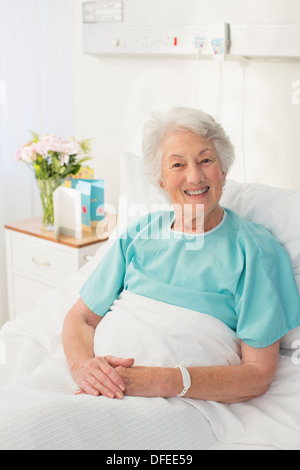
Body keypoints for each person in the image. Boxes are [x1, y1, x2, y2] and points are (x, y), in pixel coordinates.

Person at [62, 107, 300, 404]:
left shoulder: (254, 250)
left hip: (181, 402)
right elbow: (80, 318)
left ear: (223, 171)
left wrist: (159, 381)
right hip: (99, 386)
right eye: (177, 165)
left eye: (206, 160)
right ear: (161, 181)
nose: (195, 176)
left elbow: (257, 375)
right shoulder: (139, 232)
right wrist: (84, 368)